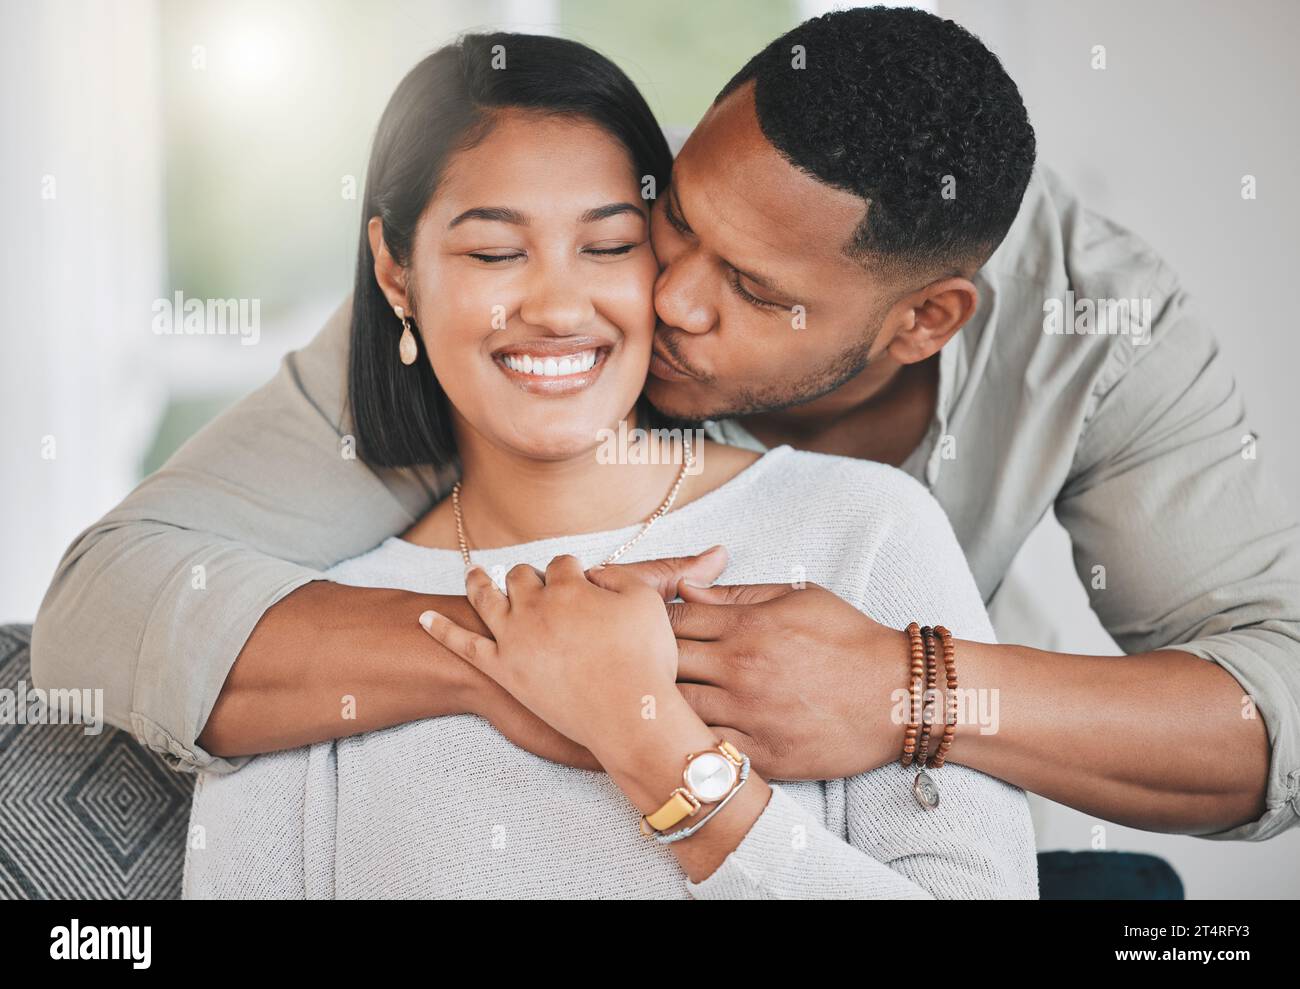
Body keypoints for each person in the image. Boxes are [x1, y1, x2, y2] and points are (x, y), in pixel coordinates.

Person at [33, 7, 1299, 843]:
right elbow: (111, 599)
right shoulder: (553, 298)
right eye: (679, 217)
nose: (668, 297)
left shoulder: (1097, 330)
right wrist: (538, 649)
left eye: (753, 292)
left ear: (925, 323)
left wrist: (910, 690)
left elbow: (1275, 710)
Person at [183, 33, 1036, 899]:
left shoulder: (866, 530)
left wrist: (651, 742)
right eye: (493, 253)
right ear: (396, 275)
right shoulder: (309, 637)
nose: (558, 308)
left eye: (611, 245)